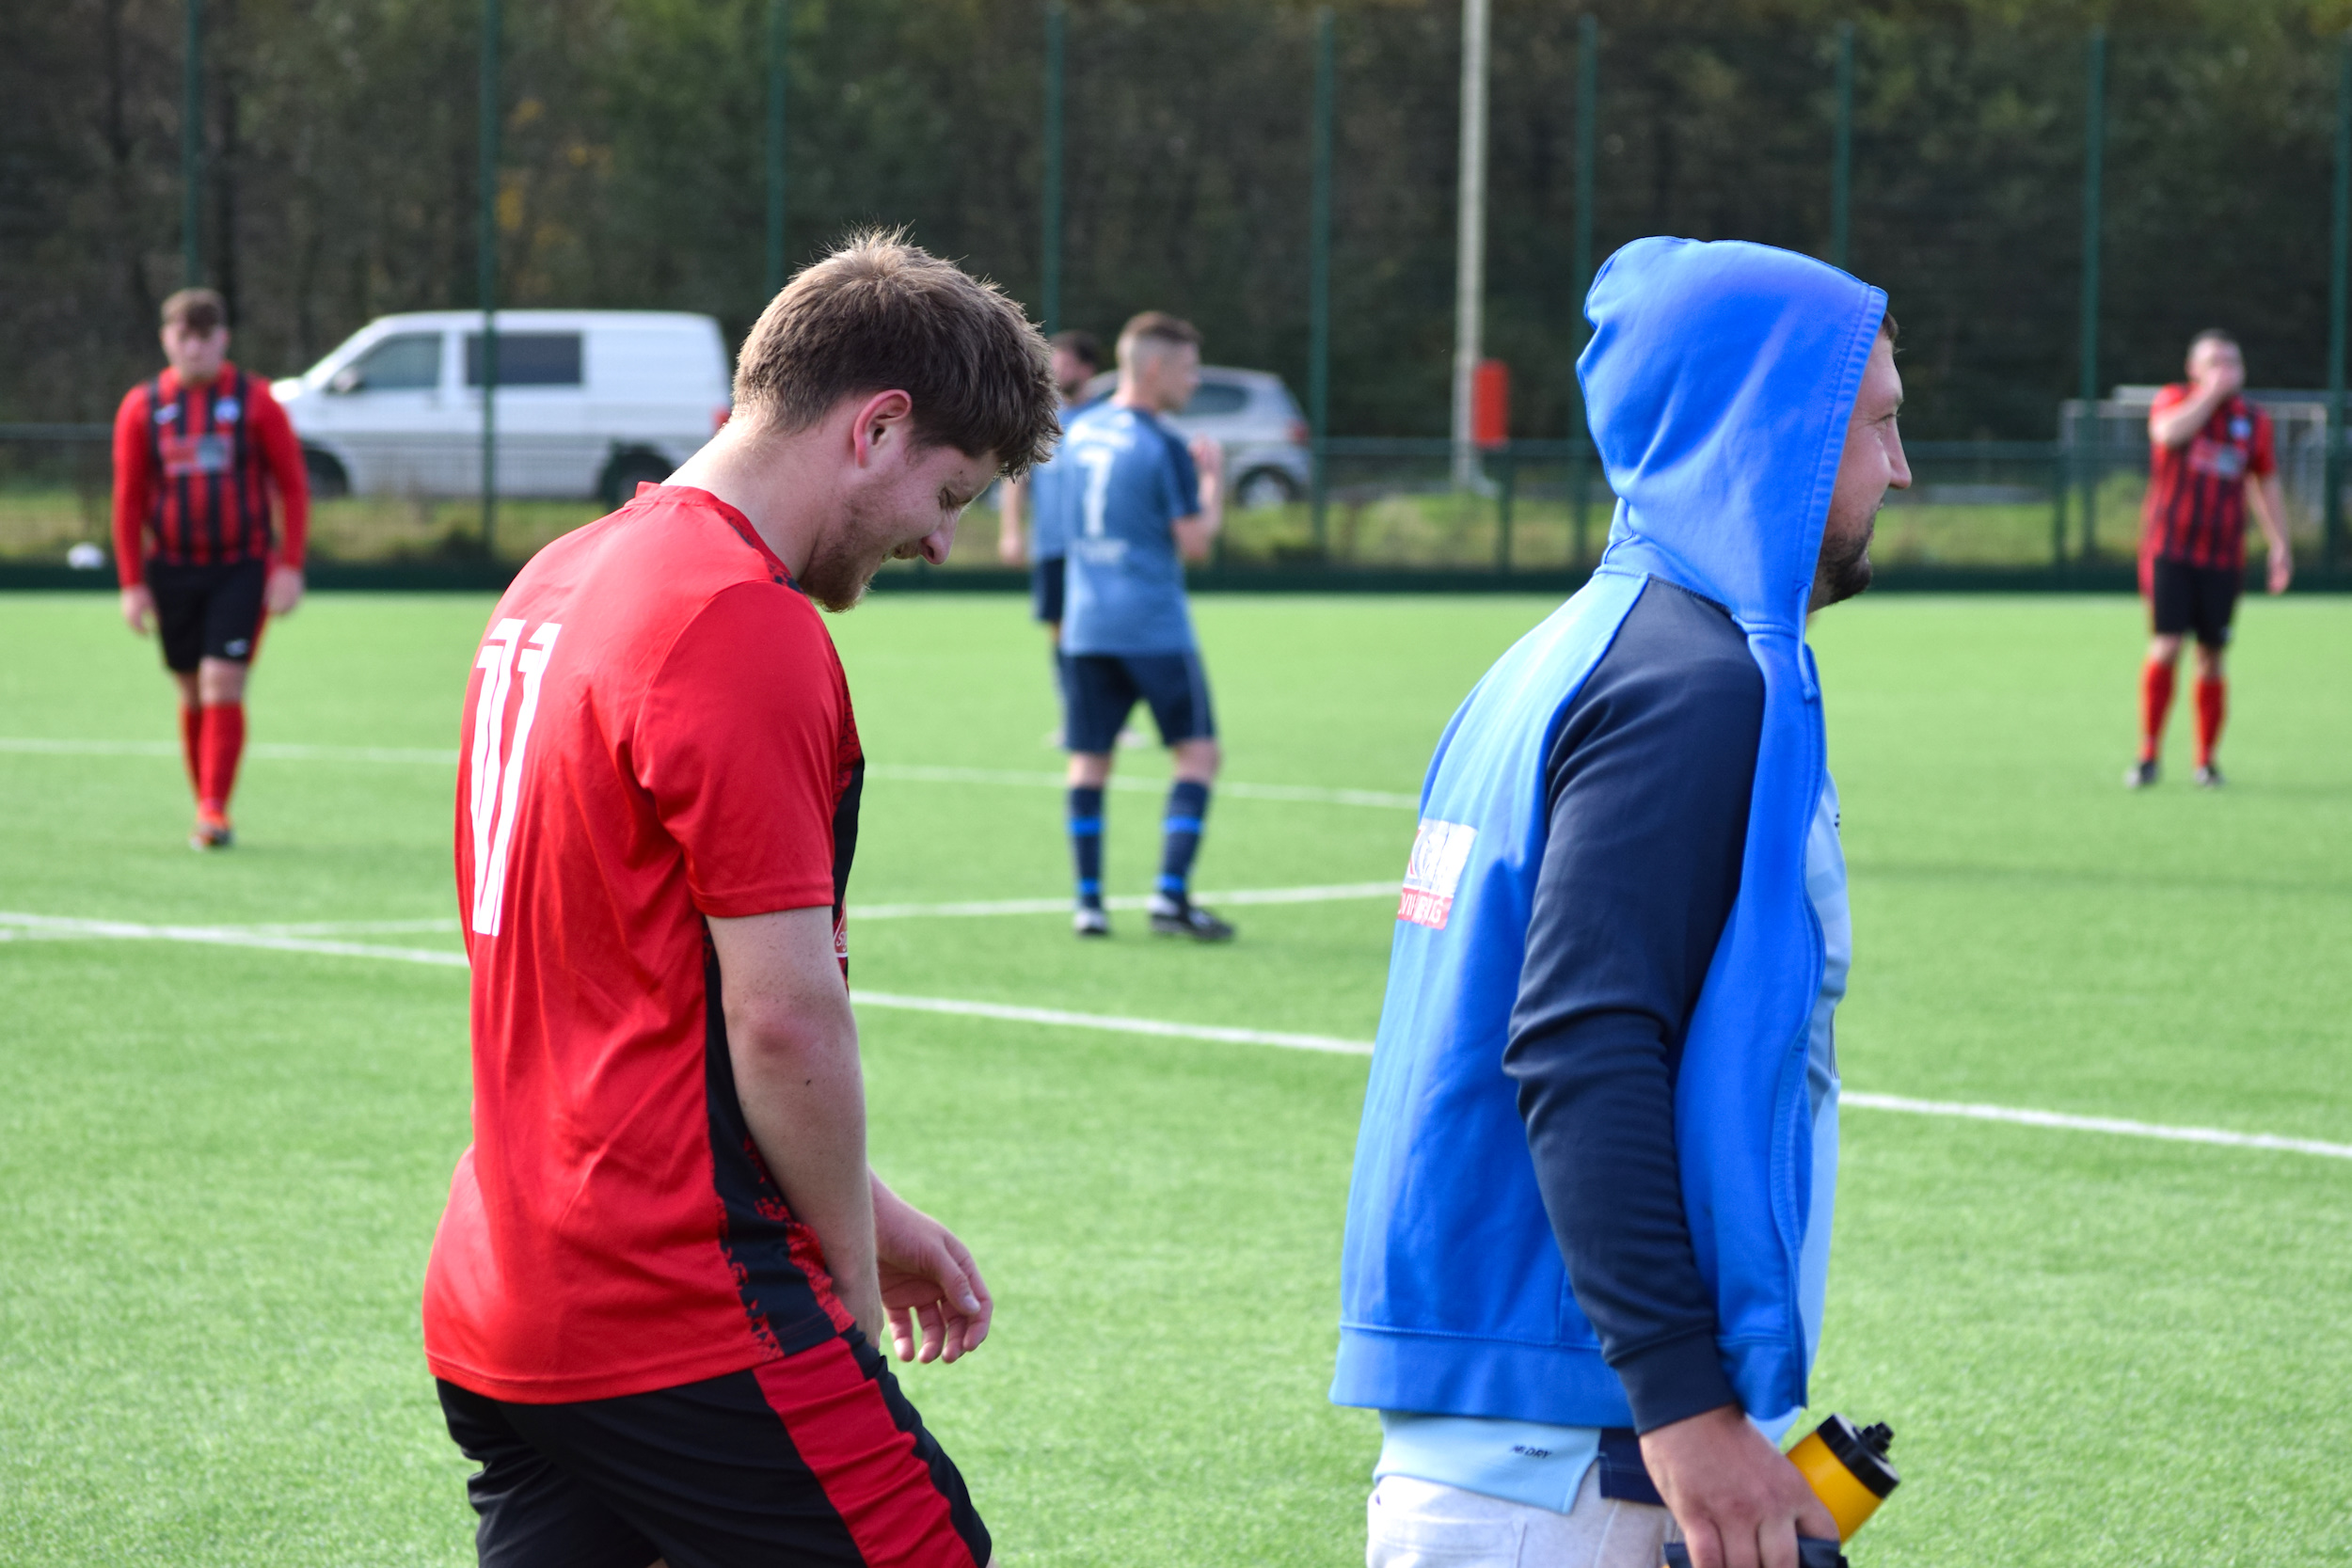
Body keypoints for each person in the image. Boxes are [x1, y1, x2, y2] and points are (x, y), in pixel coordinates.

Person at [422, 233, 1057, 1568]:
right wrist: (840, 1276)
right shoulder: (740, 619)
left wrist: (868, 1203)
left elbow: (628, 983)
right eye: (951, 489)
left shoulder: (560, 575)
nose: (945, 539)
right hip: (672, 1302)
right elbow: (780, 1019)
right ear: (877, 427)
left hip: (501, 1289)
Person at [1334, 238, 1910, 1568]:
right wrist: (1686, 1399)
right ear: (1776, 426)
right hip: (1580, 1460)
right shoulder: (1691, 684)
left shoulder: (1561, 652)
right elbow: (1582, 1041)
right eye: (1875, 422)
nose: (1898, 467)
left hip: (1519, 1435)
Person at [110, 287, 310, 849]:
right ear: (166, 339)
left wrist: (289, 564)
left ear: (222, 339)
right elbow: (127, 500)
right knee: (192, 690)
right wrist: (131, 583)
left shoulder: (257, 401)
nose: (194, 348)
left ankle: (213, 809)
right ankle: (207, 806)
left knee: (223, 679)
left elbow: (293, 486)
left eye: (205, 336)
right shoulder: (141, 407)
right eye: (183, 336)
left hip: (241, 566)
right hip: (171, 569)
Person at [1056, 311, 1232, 942]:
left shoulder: (1077, 432)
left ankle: (1089, 904)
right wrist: (1213, 484)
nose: (1192, 383)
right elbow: (1195, 544)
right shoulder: (1165, 444)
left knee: (1088, 762)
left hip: (1084, 623)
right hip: (1153, 626)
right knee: (1198, 753)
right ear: (1153, 368)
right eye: (1187, 370)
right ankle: (1170, 895)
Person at [2126, 328, 2292, 789]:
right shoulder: (2173, 400)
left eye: (2232, 362)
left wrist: (2280, 544)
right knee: (2167, 645)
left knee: (2213, 656)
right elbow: (2166, 433)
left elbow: (2266, 482)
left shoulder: (2254, 421)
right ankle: (2148, 754)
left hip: (2222, 557)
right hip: (2170, 550)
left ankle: (2206, 761)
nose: (2226, 371)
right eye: (2214, 362)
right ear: (2192, 369)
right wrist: (2208, 395)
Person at [996, 328, 1104, 741]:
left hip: (1097, 550)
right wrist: (1011, 532)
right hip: (1053, 546)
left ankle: (1110, 716)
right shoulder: (1042, 420)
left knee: (1100, 630)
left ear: (1087, 369)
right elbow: (1015, 478)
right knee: (1060, 632)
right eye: (1053, 361)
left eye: (1065, 362)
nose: (1056, 370)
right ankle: (1075, 716)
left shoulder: (1105, 420)